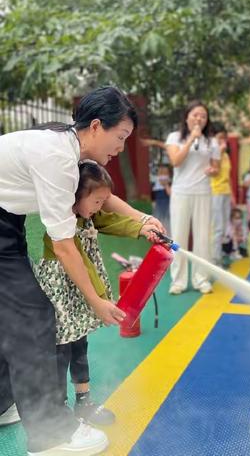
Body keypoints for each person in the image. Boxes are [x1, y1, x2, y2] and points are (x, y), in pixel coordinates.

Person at [0, 86, 164, 456]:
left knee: (12, 314)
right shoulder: (57, 156)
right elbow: (63, 244)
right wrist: (96, 300)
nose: (121, 148)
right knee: (32, 315)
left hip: (5, 220)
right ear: (95, 126)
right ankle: (49, 435)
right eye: (119, 137)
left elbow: (103, 195)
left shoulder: (69, 148)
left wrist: (141, 218)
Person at [35, 162, 160, 426]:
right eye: (97, 200)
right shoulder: (63, 221)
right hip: (65, 290)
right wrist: (101, 299)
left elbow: (110, 220)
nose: (101, 206)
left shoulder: (88, 214)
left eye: (104, 200)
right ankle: (59, 411)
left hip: (83, 290)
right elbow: (83, 265)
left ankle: (84, 402)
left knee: (80, 343)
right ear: (76, 195)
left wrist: (141, 227)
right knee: (61, 349)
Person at [166, 101, 220, 295]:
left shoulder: (212, 142)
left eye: (203, 116)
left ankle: (201, 279)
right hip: (181, 192)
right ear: (187, 116)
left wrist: (213, 171)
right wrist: (191, 139)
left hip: (203, 193)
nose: (199, 119)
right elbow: (175, 161)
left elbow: (216, 168)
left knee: (202, 238)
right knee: (178, 236)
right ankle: (178, 281)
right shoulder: (174, 137)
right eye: (195, 115)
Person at [210, 122, 234, 266]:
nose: (222, 141)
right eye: (219, 138)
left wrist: (233, 197)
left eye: (224, 138)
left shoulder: (226, 156)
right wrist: (219, 151)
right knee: (217, 227)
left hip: (226, 193)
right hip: (215, 192)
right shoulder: (213, 154)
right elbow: (213, 172)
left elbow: (228, 176)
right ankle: (214, 259)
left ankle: (219, 255)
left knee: (225, 228)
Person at [151, 164, 171, 234]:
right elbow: (153, 198)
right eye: (161, 174)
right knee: (159, 221)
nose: (163, 176)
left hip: (167, 206)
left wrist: (166, 185)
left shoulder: (170, 183)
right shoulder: (155, 186)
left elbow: (171, 194)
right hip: (158, 207)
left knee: (168, 222)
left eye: (165, 174)